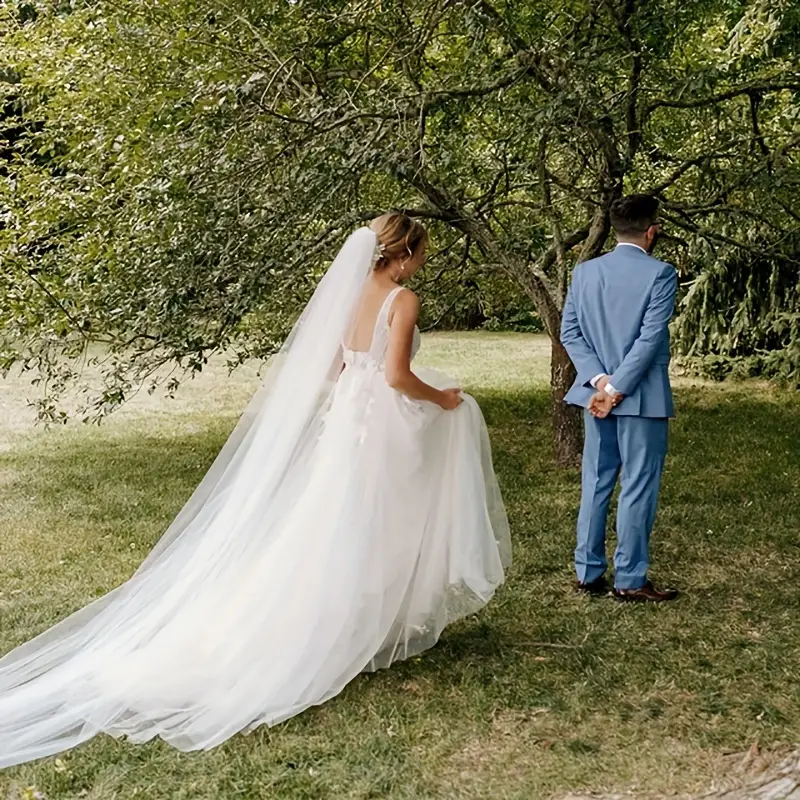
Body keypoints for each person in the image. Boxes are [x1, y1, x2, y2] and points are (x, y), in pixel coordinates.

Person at [0, 213, 511, 767]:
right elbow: (395, 377)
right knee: (375, 518)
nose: (424, 262)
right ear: (405, 252)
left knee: (331, 518)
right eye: (423, 253)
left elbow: (337, 369)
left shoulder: (351, 293)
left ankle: (352, 621)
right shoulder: (402, 299)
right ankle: (346, 626)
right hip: (381, 423)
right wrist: (441, 400)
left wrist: (357, 393)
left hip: (345, 423)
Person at [561, 194, 679, 603]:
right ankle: (629, 578)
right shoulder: (661, 273)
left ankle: (588, 572)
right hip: (641, 398)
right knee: (638, 484)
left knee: (595, 481)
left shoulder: (585, 272)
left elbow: (570, 333)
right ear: (652, 231)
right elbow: (649, 340)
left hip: (595, 397)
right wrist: (615, 389)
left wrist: (599, 382)